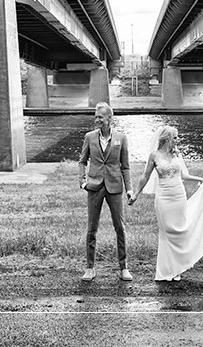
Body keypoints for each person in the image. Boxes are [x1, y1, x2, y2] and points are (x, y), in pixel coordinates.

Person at [129, 125, 203, 282]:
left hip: (179, 196)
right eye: (175, 137)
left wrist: (199, 179)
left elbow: (184, 174)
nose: (177, 140)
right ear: (166, 139)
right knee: (167, 232)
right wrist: (136, 194)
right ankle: (166, 270)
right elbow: (145, 177)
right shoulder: (154, 156)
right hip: (163, 198)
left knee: (180, 230)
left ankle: (178, 268)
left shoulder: (177, 154)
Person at [78, 101, 134, 281]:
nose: (97, 120)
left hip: (115, 187)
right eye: (96, 117)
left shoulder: (121, 138)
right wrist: (82, 181)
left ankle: (124, 267)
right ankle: (90, 268)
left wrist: (129, 189)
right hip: (94, 186)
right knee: (91, 228)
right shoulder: (89, 137)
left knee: (120, 227)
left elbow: (125, 167)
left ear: (109, 119)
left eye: (100, 117)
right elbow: (82, 161)